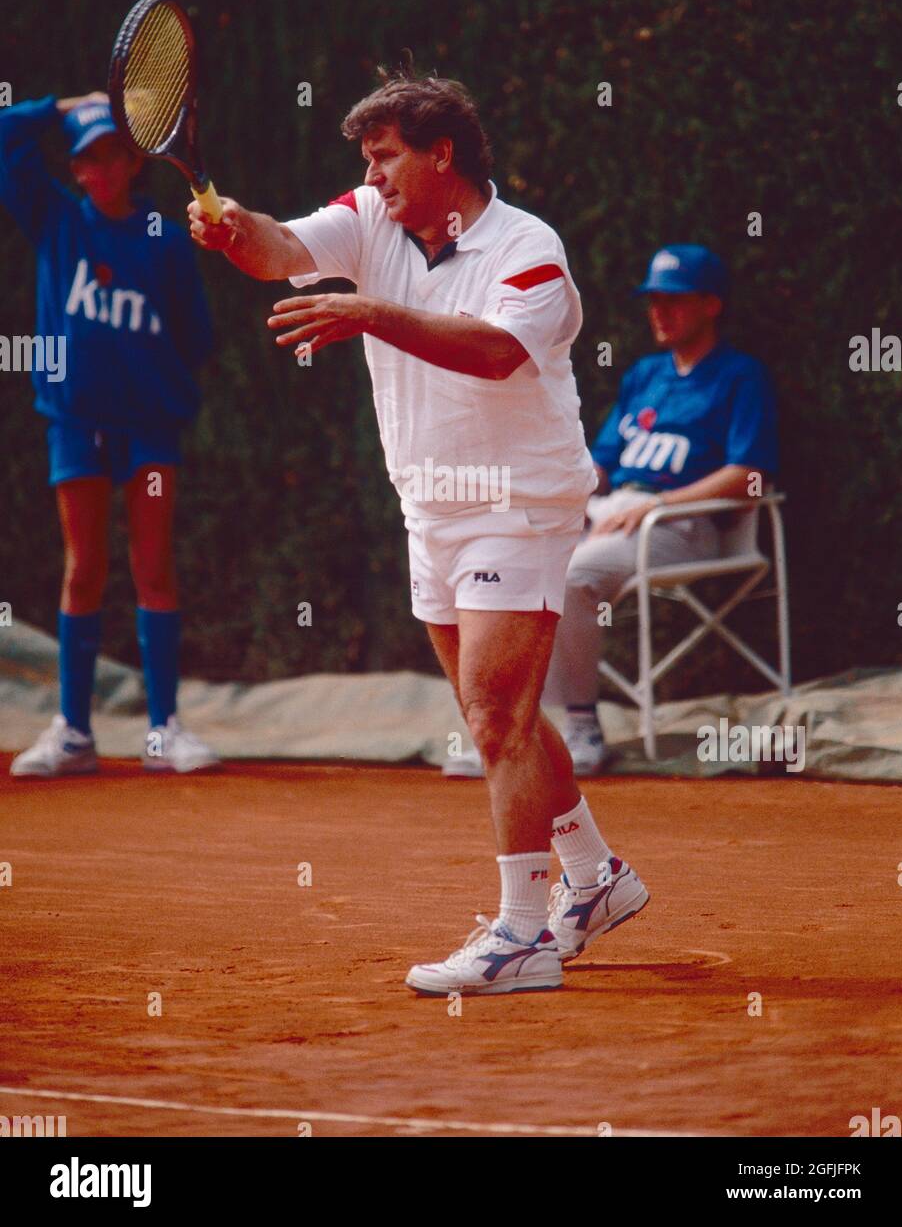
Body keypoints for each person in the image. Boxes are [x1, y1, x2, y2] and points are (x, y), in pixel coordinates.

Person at [188, 67, 649, 995]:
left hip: (518, 502)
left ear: (443, 155)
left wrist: (367, 312)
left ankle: (522, 934)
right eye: (368, 160)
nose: (376, 175)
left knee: (492, 713)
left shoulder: (530, 250)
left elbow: (489, 353)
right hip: (430, 505)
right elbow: (281, 249)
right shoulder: (366, 216)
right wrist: (236, 228)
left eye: (388, 155)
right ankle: (596, 878)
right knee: (500, 716)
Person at [2, 91, 219, 777]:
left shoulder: (163, 238)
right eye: (84, 159)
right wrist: (63, 105)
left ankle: (164, 730)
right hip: (76, 424)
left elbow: (197, 335)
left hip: (149, 429)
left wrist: (151, 383)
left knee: (153, 566)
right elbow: (4, 131)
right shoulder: (57, 221)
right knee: (83, 567)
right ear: (74, 170)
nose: (96, 170)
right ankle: (74, 731)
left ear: (132, 161)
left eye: (107, 156)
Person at [543, 244, 780, 774]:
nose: (659, 312)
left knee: (571, 576)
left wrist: (658, 503)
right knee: (512, 565)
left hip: (686, 526)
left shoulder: (741, 375)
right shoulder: (644, 375)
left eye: (674, 300)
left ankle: (582, 730)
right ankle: (514, 734)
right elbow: (601, 463)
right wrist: (558, 490)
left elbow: (750, 475)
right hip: (618, 514)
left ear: (711, 304)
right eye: (653, 300)